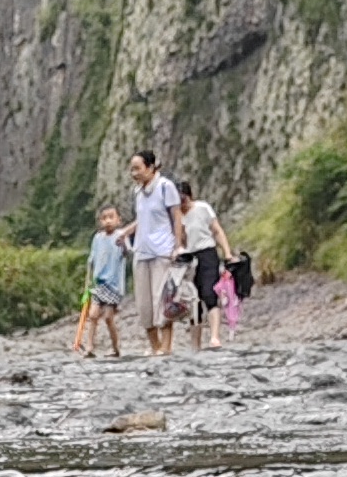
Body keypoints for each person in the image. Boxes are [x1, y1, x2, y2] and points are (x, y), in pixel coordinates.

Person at [127, 151, 183, 358]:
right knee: (144, 304)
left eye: (137, 168)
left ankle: (166, 347)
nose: (134, 173)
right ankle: (154, 346)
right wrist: (126, 233)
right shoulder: (137, 191)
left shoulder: (165, 187)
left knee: (162, 300)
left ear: (150, 168)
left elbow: (176, 217)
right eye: (132, 169)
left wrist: (177, 246)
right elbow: (142, 219)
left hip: (162, 251)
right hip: (141, 251)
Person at [177, 184, 232, 345]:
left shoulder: (202, 208)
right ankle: (196, 342)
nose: (182, 203)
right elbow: (179, 241)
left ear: (189, 196)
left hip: (207, 252)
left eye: (184, 199)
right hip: (189, 257)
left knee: (209, 293)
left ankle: (215, 336)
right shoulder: (177, 216)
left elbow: (216, 230)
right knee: (194, 300)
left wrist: (227, 252)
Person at [76, 204, 128, 357]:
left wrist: (123, 243)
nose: (108, 221)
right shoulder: (97, 238)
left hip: (113, 285)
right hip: (99, 283)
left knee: (108, 318)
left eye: (111, 217)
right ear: (100, 221)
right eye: (104, 218)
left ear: (119, 220)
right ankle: (89, 347)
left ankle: (115, 347)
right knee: (92, 315)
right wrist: (87, 283)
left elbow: (126, 253)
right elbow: (91, 261)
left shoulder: (120, 236)